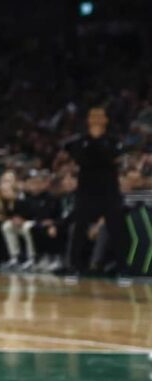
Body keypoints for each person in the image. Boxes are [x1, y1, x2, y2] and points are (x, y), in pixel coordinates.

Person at [64, 106, 125, 275]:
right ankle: (74, 266)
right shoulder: (79, 141)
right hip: (86, 191)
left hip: (109, 190)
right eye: (93, 116)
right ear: (88, 120)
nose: (97, 119)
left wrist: (96, 143)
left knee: (116, 228)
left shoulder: (113, 140)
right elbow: (81, 158)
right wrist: (93, 143)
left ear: (106, 120)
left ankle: (123, 268)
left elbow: (108, 156)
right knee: (79, 228)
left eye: (100, 116)